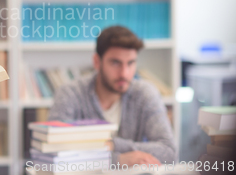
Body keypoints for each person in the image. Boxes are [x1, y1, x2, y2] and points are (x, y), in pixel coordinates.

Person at [48, 25, 176, 166]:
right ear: (97, 62)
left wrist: (113, 145)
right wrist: (116, 160)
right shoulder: (70, 94)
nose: (124, 73)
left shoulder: (145, 93)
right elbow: (54, 153)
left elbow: (169, 152)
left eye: (131, 63)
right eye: (115, 63)